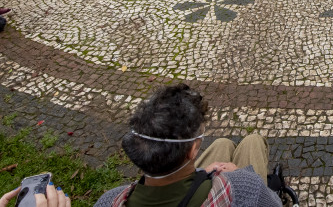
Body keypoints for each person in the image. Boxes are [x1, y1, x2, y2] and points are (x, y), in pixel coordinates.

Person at [94, 84, 281, 207]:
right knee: (252, 141)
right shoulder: (243, 187)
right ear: (191, 151)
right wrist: (239, 173)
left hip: (193, 181)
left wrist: (201, 174)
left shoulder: (109, 200)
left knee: (222, 144)